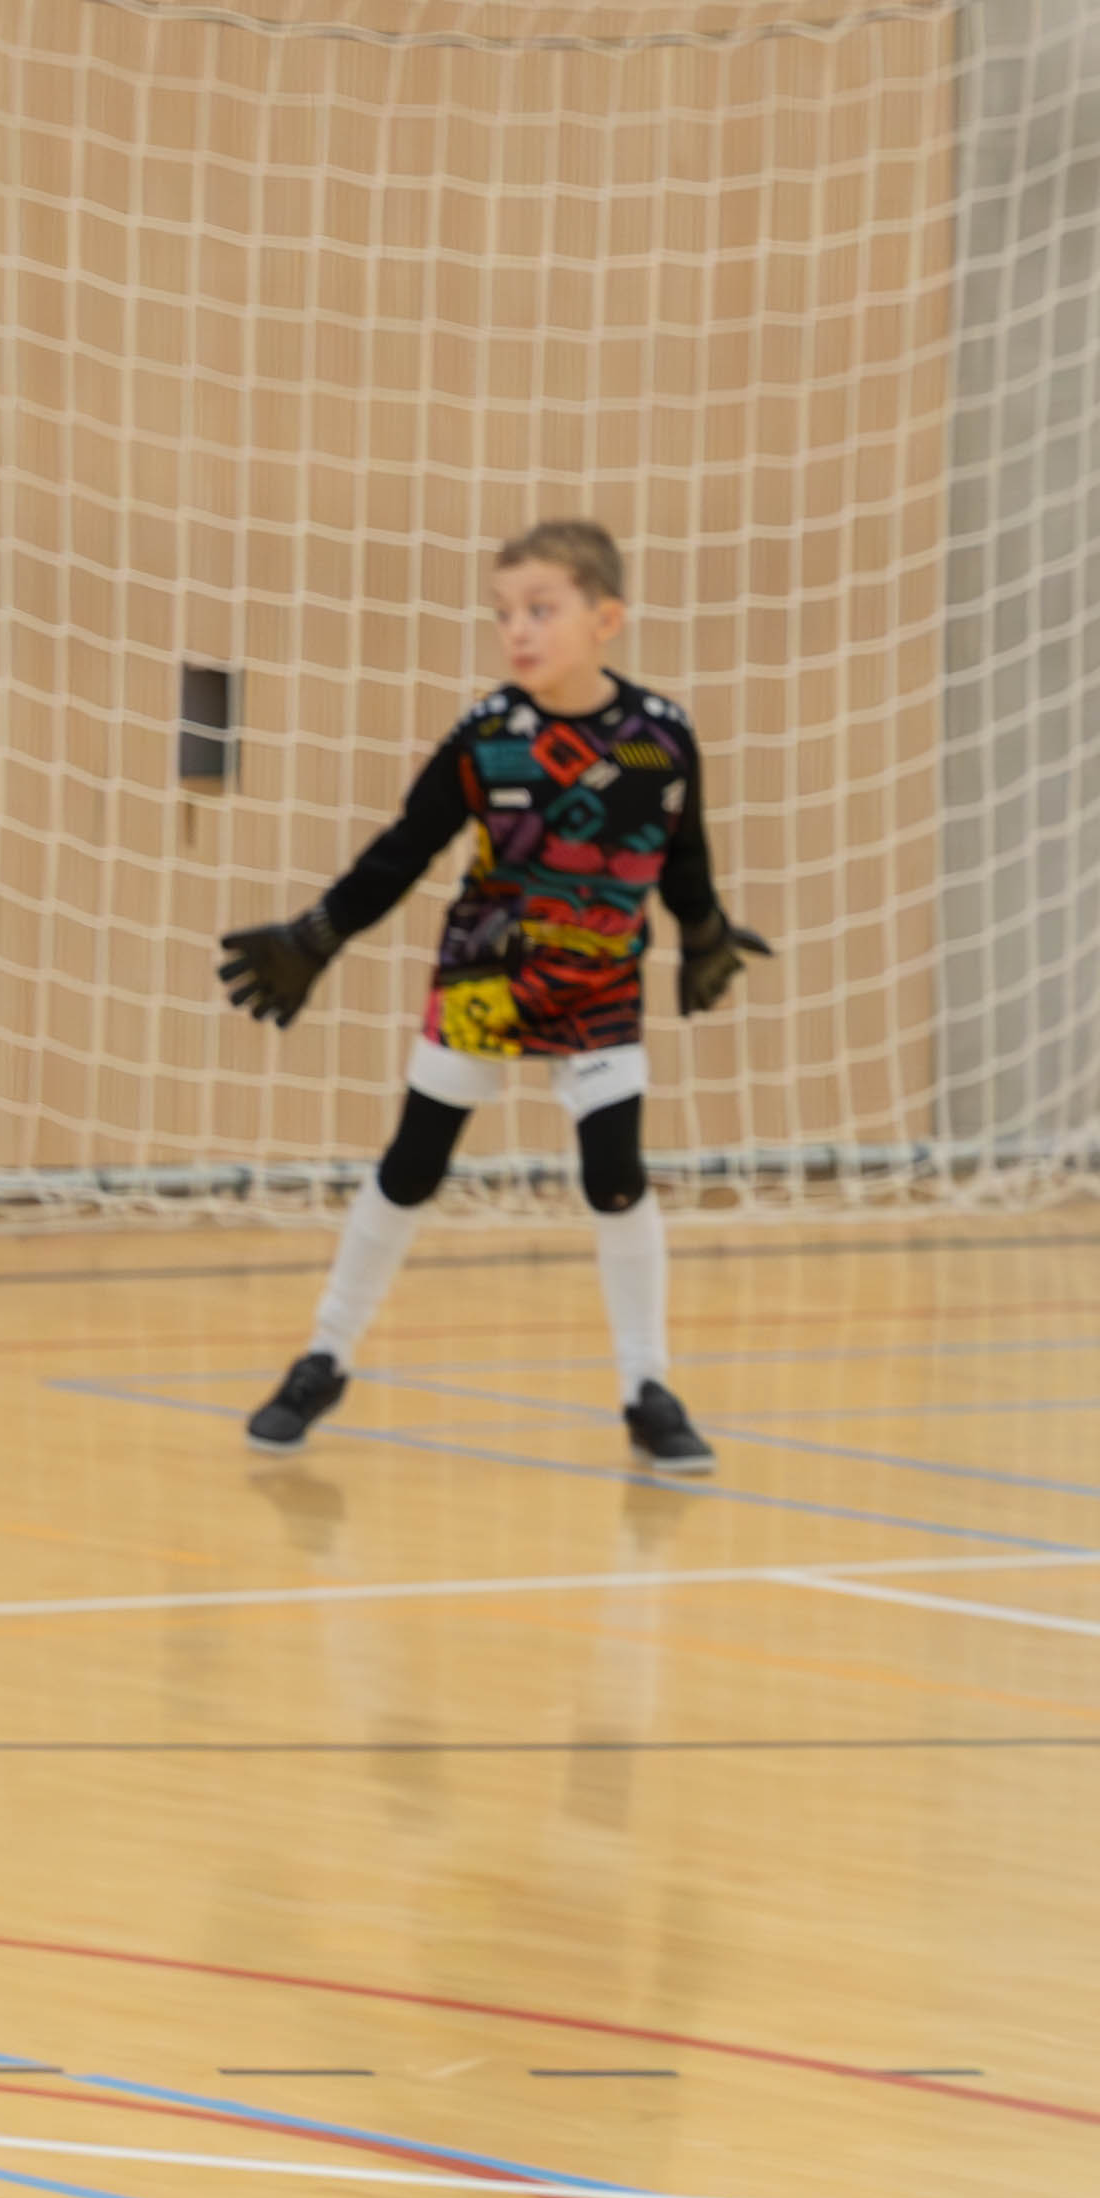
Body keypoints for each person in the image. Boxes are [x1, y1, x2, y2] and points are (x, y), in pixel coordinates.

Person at [211, 521, 766, 1480]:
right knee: (413, 1165)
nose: (518, 630)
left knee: (616, 1176)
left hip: (601, 985)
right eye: (504, 613)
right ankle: (324, 1358)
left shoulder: (662, 738)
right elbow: (403, 850)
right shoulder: (487, 737)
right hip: (486, 976)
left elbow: (685, 858)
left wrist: (706, 931)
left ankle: (648, 1388)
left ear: (606, 620)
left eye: (540, 610)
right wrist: (318, 935)